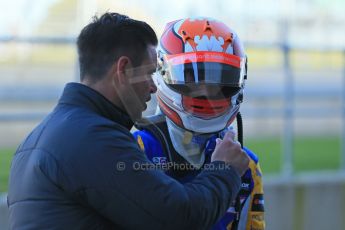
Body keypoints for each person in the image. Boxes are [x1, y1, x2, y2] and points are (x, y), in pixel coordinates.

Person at [7, 12, 250, 229]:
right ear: (123, 70)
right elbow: (178, 217)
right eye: (148, 74)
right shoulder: (93, 138)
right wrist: (224, 169)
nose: (154, 87)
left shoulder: (39, 136)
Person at [133, 17, 265, 230]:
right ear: (163, 73)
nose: (206, 93)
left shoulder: (246, 166)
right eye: (193, 80)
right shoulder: (137, 150)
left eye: (219, 81)